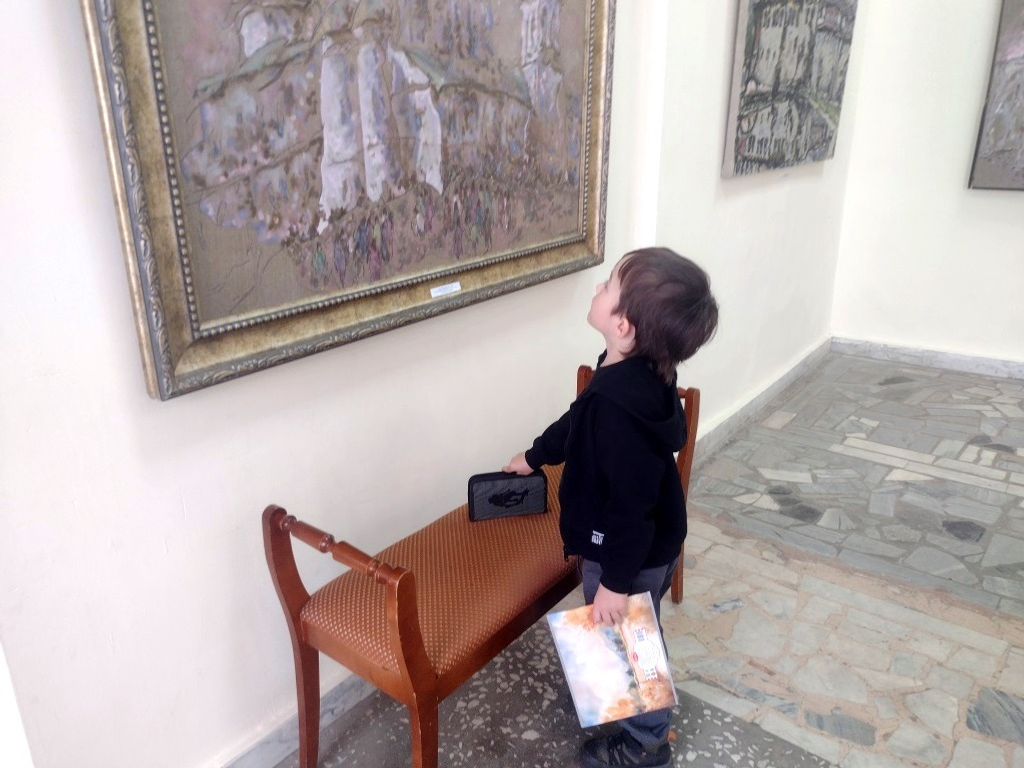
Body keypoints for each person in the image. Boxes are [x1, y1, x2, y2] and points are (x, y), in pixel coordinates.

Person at [504, 247, 719, 768]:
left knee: (633, 636)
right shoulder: (635, 370)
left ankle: (646, 744)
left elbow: (630, 510)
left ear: (623, 326)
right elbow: (578, 419)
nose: (596, 288)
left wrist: (616, 584)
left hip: (628, 553)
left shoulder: (621, 410)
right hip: (645, 544)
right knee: (626, 630)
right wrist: (536, 455)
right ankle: (618, 704)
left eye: (607, 286)